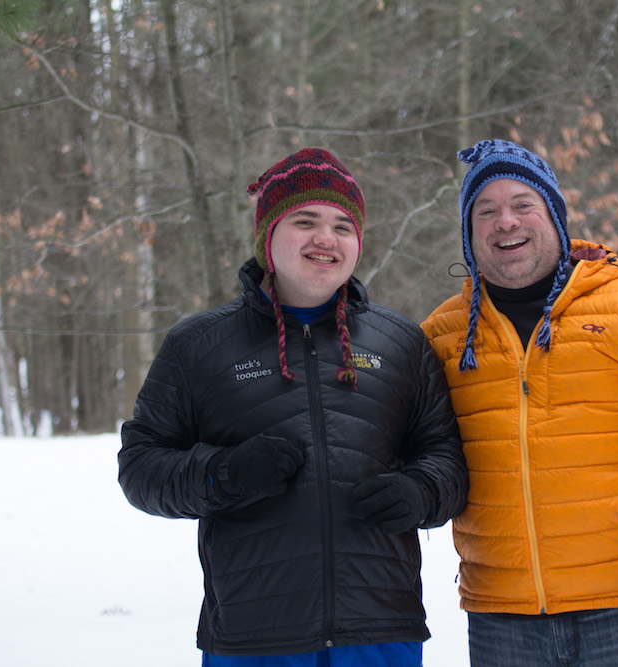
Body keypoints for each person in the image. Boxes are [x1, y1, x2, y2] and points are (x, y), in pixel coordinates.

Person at [118, 147, 468, 666]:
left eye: (343, 226)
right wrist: (222, 473)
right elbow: (140, 467)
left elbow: (448, 459)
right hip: (255, 635)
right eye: (306, 221)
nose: (326, 239)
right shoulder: (199, 345)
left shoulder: (402, 343)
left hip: (380, 630)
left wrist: (421, 492)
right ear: (268, 237)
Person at [421, 139, 618, 667]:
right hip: (503, 617)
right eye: (486, 210)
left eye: (523, 204)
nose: (506, 222)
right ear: (468, 231)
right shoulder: (443, 337)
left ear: (555, 215)